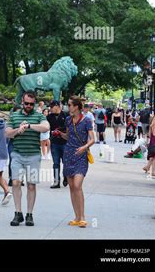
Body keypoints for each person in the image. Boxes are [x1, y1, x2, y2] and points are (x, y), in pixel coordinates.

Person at [6, 91, 50, 227]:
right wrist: (18, 130)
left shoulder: (39, 116)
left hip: (33, 156)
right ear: (22, 103)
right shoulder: (14, 116)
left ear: (34, 103)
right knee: (16, 183)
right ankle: (17, 213)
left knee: (31, 185)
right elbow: (7, 133)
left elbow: (46, 127)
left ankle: (29, 214)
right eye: (26, 103)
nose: (29, 106)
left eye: (31, 104)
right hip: (17, 154)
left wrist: (29, 126)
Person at [60, 96, 95, 228]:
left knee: (77, 185)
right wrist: (60, 134)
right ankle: (76, 217)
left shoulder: (87, 120)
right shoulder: (68, 120)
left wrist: (85, 147)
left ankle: (83, 217)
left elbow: (92, 139)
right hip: (68, 154)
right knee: (71, 187)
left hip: (81, 155)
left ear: (76, 107)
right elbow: (69, 136)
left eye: (69, 105)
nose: (67, 107)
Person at [47, 100, 68, 188]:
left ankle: (66, 177)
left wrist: (60, 131)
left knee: (65, 162)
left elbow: (69, 128)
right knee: (56, 163)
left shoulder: (66, 115)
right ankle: (56, 181)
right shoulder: (49, 117)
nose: (50, 109)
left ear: (57, 106)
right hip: (54, 142)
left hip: (65, 142)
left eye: (52, 107)